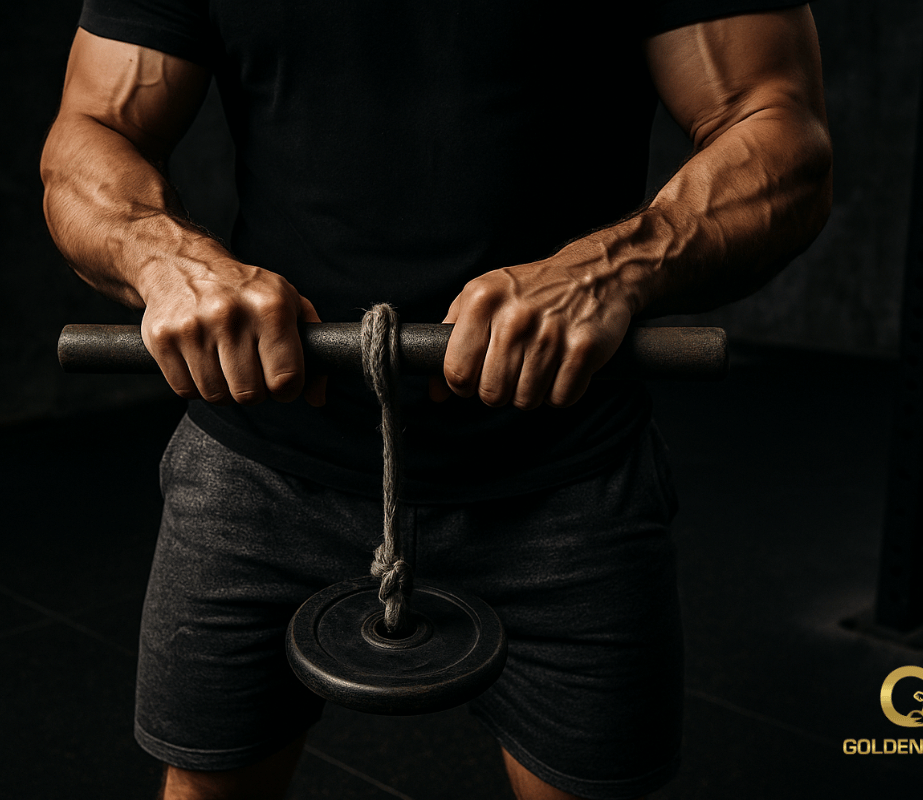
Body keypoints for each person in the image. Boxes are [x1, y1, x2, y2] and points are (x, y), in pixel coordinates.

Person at [41, 1, 831, 798]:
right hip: (261, 471)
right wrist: (165, 257)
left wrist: (615, 266)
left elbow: (779, 130)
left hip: (560, 477)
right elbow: (94, 128)